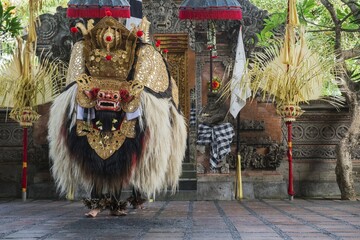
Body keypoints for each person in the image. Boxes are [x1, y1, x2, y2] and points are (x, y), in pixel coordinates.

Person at [48, 13, 187, 217]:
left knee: (129, 157)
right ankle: (97, 201)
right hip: (94, 112)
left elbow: (147, 86)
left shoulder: (144, 54)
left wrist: (130, 96)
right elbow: (77, 81)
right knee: (93, 157)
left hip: (127, 109)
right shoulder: (83, 51)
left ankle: (129, 196)